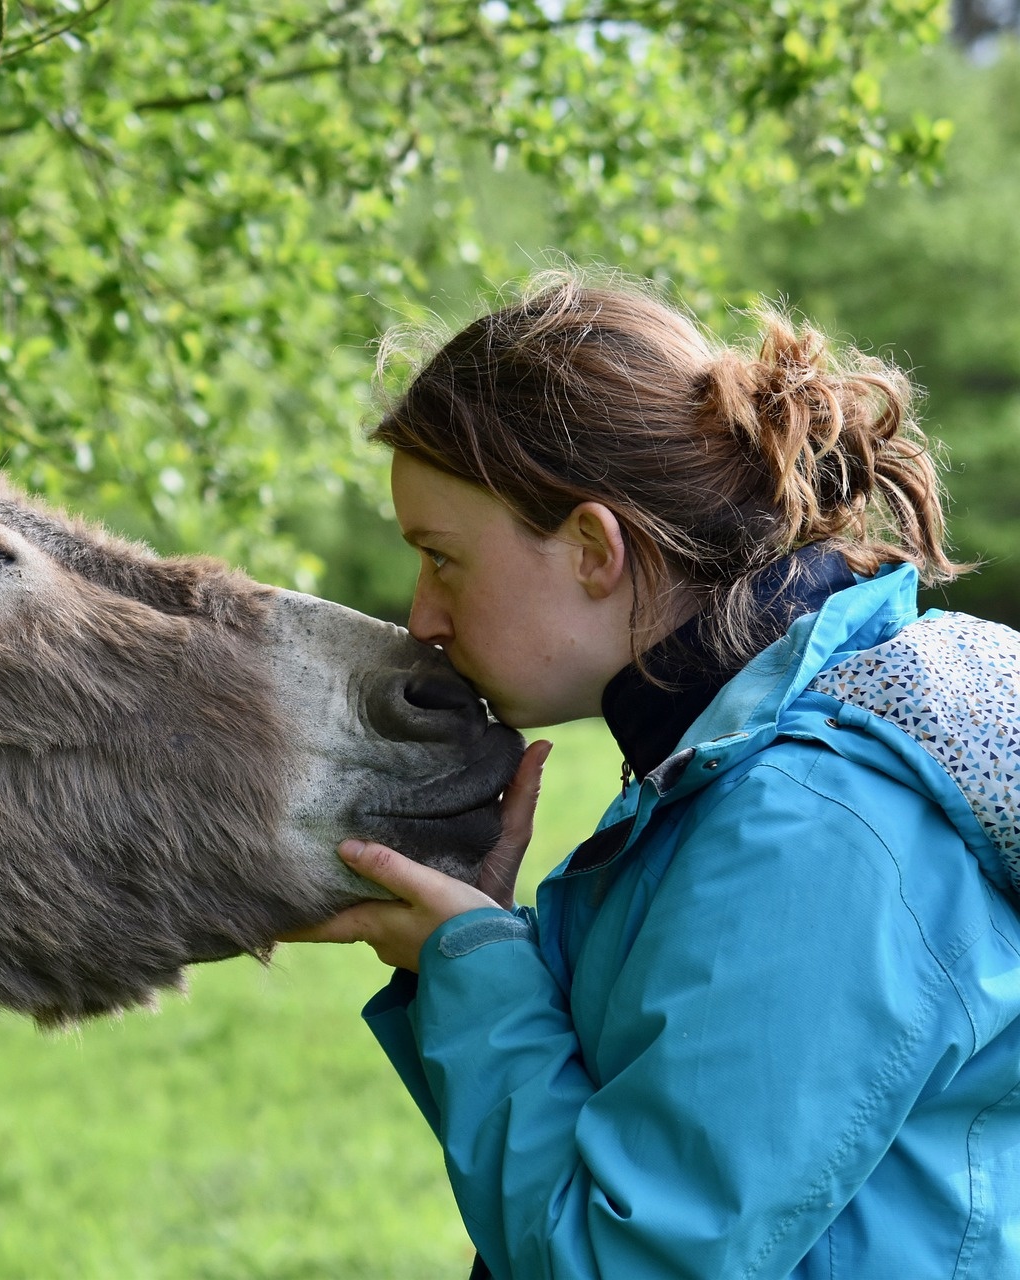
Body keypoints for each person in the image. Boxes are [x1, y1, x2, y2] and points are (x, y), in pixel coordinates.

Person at [288, 273, 1020, 1278]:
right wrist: (469, 947)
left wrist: (477, 975)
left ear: (593, 548)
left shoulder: (811, 827)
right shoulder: (725, 774)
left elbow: (623, 1257)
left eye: (442, 558)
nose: (423, 616)